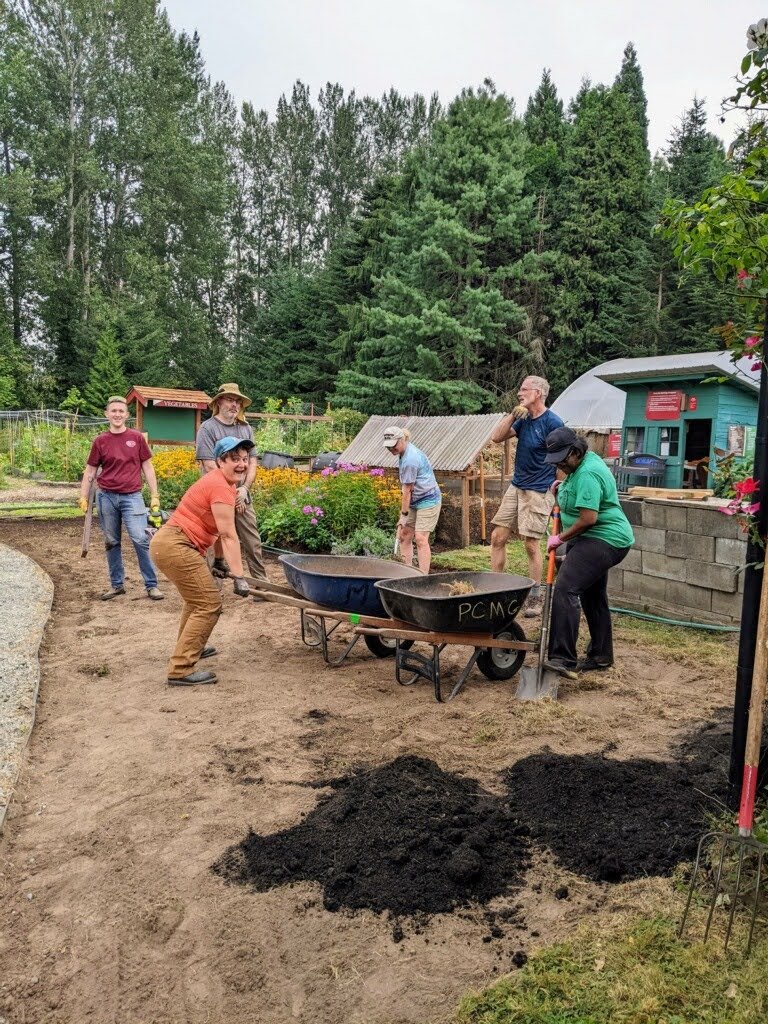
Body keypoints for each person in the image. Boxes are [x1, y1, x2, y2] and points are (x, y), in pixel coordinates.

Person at [149, 437, 253, 686]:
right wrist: (239, 577)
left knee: (196, 601)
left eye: (245, 459)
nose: (242, 465)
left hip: (171, 544)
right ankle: (181, 669)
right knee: (209, 603)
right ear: (220, 461)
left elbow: (218, 531)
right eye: (235, 459)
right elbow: (229, 535)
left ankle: (193, 646)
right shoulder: (220, 486)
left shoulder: (223, 485)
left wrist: (218, 561)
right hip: (177, 545)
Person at [541, 426, 635, 679]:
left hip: (603, 539)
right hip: (592, 538)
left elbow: (588, 519)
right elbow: (576, 491)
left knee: (566, 588)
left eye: (562, 459)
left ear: (575, 451)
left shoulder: (588, 473)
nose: (559, 464)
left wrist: (558, 538)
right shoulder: (580, 465)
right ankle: (601, 655)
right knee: (592, 595)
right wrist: (562, 489)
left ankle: (562, 658)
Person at [490, 376, 563, 617]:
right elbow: (497, 437)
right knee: (497, 537)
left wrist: (558, 489)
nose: (519, 393)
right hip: (517, 485)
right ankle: (495, 590)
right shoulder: (523, 420)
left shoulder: (553, 423)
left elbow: (562, 459)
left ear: (539, 393)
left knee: (531, 544)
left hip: (539, 489)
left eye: (524, 389)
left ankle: (534, 596)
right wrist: (512, 415)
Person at [79, 395, 164, 601]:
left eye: (121, 411)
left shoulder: (136, 438)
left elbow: (147, 467)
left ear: (127, 415)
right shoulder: (100, 441)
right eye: (113, 411)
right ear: (107, 414)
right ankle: (117, 585)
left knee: (140, 539)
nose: (117, 414)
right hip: (106, 496)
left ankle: (151, 585)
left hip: (132, 497)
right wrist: (83, 496)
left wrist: (154, 494)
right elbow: (90, 471)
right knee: (111, 541)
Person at [195, 383, 267, 582]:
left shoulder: (245, 429)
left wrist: (244, 489)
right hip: (215, 495)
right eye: (230, 400)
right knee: (214, 539)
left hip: (241, 495)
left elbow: (252, 461)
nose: (234, 405)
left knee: (252, 540)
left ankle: (260, 584)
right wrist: (231, 491)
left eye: (238, 401)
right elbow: (210, 465)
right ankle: (213, 588)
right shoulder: (208, 428)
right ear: (219, 402)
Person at [383, 426, 441, 574]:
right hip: (415, 499)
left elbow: (407, 490)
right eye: (388, 447)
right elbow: (407, 489)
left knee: (421, 539)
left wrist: (403, 515)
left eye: (394, 445)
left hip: (428, 500)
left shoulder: (410, 459)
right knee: (404, 535)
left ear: (402, 440)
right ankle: (406, 573)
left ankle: (422, 577)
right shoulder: (403, 452)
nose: (391, 449)